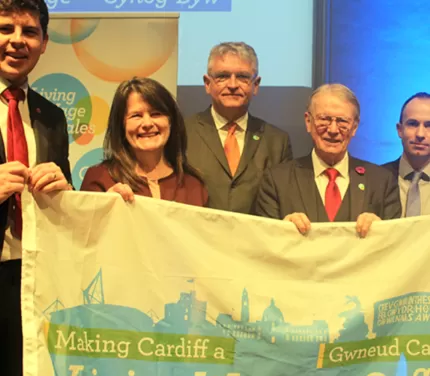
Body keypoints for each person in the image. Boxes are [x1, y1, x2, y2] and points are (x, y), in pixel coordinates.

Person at [0, 0, 72, 376]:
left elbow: (65, 200)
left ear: (44, 43)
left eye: (29, 32)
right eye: (6, 27)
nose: (16, 40)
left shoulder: (52, 115)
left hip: (31, 278)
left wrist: (63, 188)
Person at [255, 83, 401, 237]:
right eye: (324, 119)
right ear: (308, 122)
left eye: (342, 121)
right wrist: (281, 231)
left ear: (355, 127)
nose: (333, 130)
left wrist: (381, 231)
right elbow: (265, 245)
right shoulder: (277, 181)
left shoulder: (381, 182)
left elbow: (393, 246)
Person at [185, 42, 292, 214]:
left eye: (242, 77)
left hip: (256, 239)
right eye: (223, 76)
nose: (233, 84)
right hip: (196, 238)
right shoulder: (183, 132)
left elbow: (283, 202)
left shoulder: (277, 142)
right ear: (207, 83)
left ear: (255, 85)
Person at [81, 77, 207, 207]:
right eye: (136, 115)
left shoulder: (194, 185)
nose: (147, 123)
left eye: (156, 114)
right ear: (121, 125)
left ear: (171, 121)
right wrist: (105, 208)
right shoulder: (99, 179)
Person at [383, 92, 430, 216]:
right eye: (413, 124)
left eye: (429, 126)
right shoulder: (376, 179)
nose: (420, 134)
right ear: (400, 130)